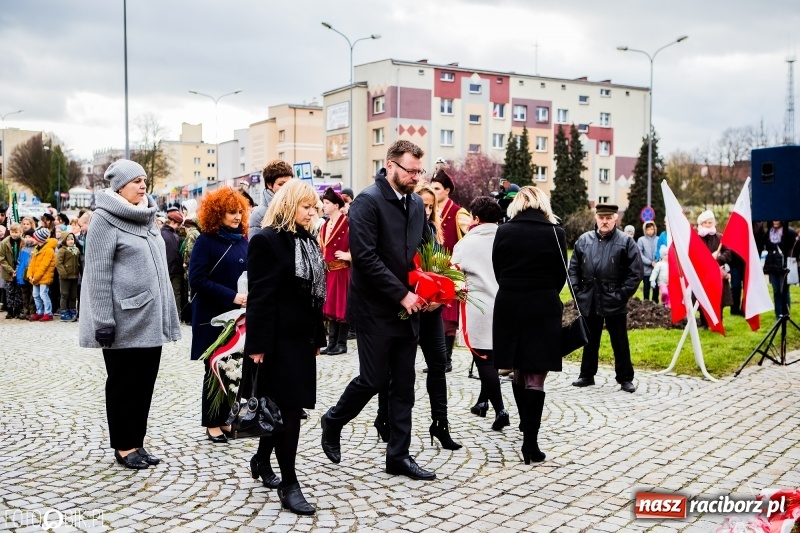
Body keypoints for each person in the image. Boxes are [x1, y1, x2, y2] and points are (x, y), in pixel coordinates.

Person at [320, 140, 436, 481]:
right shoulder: (368, 202)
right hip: (374, 308)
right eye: (410, 170)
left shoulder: (416, 203)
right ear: (390, 165)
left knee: (404, 384)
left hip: (409, 308)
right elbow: (366, 258)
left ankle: (398, 456)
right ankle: (334, 419)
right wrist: (402, 295)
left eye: (419, 171)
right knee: (372, 379)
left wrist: (436, 289)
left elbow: (424, 252)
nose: (416, 177)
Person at [78, 159, 181, 470]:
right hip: (122, 320)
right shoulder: (103, 220)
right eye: (136, 180)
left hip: (150, 318)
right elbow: (96, 274)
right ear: (119, 187)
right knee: (123, 385)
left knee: (144, 385)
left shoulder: (147, 217)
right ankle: (124, 446)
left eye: (144, 179)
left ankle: (137, 441)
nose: (143, 185)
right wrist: (102, 322)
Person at [245, 179, 326, 515]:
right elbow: (260, 296)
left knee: (283, 408)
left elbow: (313, 295)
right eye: (306, 206)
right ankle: (290, 484)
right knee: (288, 411)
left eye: (314, 207)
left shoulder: (308, 241)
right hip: (276, 342)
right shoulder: (266, 240)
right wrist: (258, 345)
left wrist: (318, 336)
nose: (312, 212)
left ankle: (262, 458)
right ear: (288, 205)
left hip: (302, 339)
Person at [374, 183, 463, 451]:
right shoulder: (397, 230)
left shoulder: (431, 232)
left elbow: (440, 269)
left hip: (430, 311)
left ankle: (440, 423)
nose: (424, 210)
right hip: (404, 307)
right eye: (421, 204)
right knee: (395, 368)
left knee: (438, 364)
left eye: (429, 206)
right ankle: (384, 418)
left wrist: (439, 297)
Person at [491, 187, 566, 463]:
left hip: (509, 303)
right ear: (543, 203)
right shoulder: (556, 233)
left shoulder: (504, 231)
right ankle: (530, 442)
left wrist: (514, 288)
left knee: (518, 368)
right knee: (535, 374)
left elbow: (497, 269)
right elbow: (561, 275)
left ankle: (525, 426)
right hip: (543, 305)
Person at [188, 187, 250, 443]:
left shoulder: (243, 239)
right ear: (217, 213)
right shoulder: (206, 241)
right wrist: (231, 296)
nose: (236, 217)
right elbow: (197, 279)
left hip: (238, 315)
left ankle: (226, 419)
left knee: (234, 367)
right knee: (214, 367)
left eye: (239, 212)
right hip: (212, 315)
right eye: (230, 212)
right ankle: (212, 422)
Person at [570, 204, 643, 393]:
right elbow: (573, 270)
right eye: (601, 217)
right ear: (596, 218)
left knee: (620, 341)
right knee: (590, 340)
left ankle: (625, 378)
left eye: (608, 217)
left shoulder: (626, 242)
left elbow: (635, 273)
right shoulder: (584, 240)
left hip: (614, 300)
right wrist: (578, 292)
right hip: (590, 298)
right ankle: (586, 375)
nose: (604, 221)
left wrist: (621, 295)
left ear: (615, 218)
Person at [451, 196, 507, 430]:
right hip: (505, 304)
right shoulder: (507, 239)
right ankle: (482, 402)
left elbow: (453, 277)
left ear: (475, 218)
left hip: (479, 307)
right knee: (493, 357)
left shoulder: (465, 244)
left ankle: (500, 408)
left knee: (484, 360)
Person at [428, 170, 471, 372]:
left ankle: (447, 359)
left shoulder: (458, 212)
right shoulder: (430, 209)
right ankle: (436, 358)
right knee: (434, 313)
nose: (433, 191)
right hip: (432, 268)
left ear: (446, 190)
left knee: (449, 316)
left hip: (450, 268)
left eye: (437, 188)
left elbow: (470, 237)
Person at [318, 187, 351, 355]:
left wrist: (348, 255)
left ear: (336, 205)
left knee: (342, 307)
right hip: (329, 271)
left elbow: (360, 246)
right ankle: (331, 343)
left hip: (342, 271)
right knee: (330, 306)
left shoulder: (348, 223)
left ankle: (342, 343)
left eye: (327, 203)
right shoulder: (324, 225)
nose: (324, 206)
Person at [696, 210, 732, 327]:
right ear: (701, 224)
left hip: (717, 273)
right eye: (705, 223)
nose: (708, 225)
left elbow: (728, 252)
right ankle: (704, 322)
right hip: (703, 274)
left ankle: (718, 321)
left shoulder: (720, 237)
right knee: (703, 298)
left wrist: (718, 259)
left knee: (718, 298)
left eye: (710, 222)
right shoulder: (696, 239)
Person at [761, 220, 799, 318]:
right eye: (774, 219)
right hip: (773, 266)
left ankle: (786, 313)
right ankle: (778, 315)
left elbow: (796, 248)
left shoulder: (789, 232)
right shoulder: (768, 233)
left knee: (784, 291)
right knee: (776, 291)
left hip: (784, 266)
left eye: (778, 219)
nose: (775, 221)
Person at [248, 161, 293, 238]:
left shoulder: (295, 207)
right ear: (269, 184)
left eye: (289, 184)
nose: (286, 188)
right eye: (281, 184)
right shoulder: (259, 214)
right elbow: (255, 246)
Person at [27, 227, 57, 321]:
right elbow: (32, 263)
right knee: (36, 295)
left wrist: (35, 277)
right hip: (35, 277)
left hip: (44, 277)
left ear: (39, 239)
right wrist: (30, 275)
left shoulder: (48, 250)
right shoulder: (36, 248)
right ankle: (39, 312)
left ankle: (48, 313)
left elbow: (44, 266)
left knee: (43, 294)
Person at [161, 209, 184, 316]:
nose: (179, 227)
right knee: (176, 294)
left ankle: (167, 315)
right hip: (174, 269)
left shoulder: (161, 234)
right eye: (178, 224)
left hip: (167, 269)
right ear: (173, 222)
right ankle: (176, 316)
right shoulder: (174, 236)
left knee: (165, 294)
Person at [55, 232, 81, 320]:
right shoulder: (62, 250)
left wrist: (80, 272)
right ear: (64, 240)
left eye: (72, 239)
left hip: (74, 276)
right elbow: (58, 263)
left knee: (73, 295)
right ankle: (64, 311)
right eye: (68, 239)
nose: (71, 241)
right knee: (64, 294)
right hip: (65, 276)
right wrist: (63, 273)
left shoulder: (76, 250)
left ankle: (72, 309)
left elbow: (79, 262)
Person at [0, 222, 23, 319]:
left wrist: (17, 270)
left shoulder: (23, 242)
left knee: (18, 291)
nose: (14, 234)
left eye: (16, 232)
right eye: (12, 232)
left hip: (19, 270)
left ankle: (17, 310)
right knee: (9, 291)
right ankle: (10, 311)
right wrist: (10, 270)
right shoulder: (4, 243)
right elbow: (1, 258)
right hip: (8, 271)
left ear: (20, 232)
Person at [637, 221, 659, 303]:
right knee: (646, 288)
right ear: (645, 230)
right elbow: (640, 254)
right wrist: (650, 262)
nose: (650, 231)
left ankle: (655, 303)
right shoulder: (641, 240)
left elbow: (660, 251)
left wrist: (656, 261)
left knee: (656, 288)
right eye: (648, 229)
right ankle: (646, 303)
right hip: (646, 270)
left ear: (654, 229)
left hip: (656, 269)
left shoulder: (658, 239)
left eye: (652, 229)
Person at [16, 229, 36, 319]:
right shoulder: (23, 249)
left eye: (30, 237)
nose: (28, 239)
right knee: (24, 294)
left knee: (32, 294)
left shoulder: (35, 249)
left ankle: (32, 312)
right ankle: (25, 311)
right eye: (26, 237)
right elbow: (19, 261)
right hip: (22, 275)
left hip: (31, 275)